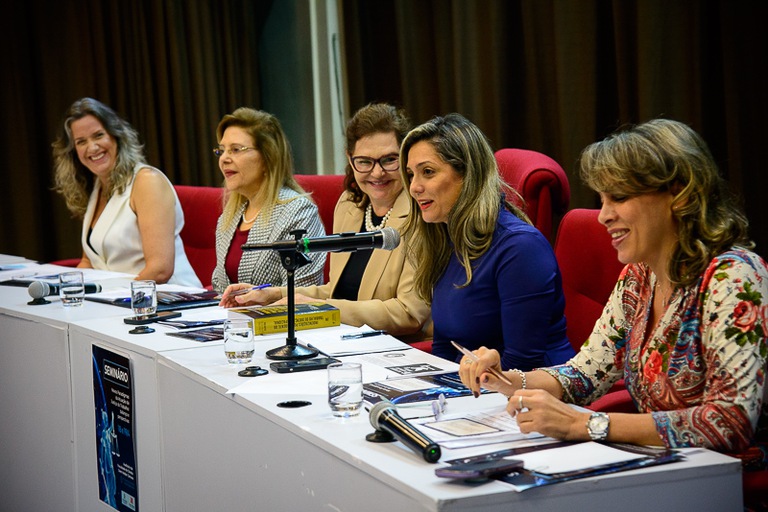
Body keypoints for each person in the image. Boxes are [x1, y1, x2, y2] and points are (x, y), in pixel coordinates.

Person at [459, 119, 768, 471]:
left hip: (730, 479)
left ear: (679, 195)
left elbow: (730, 421)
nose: (604, 216)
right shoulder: (639, 276)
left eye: (619, 197)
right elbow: (585, 375)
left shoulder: (733, 276)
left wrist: (585, 424)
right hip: (665, 467)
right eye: (602, 199)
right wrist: (505, 379)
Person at [220, 103, 431, 340]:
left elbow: (408, 314)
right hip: (342, 339)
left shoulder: (421, 214)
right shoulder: (350, 206)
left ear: (405, 158)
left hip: (394, 346)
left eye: (389, 160)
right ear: (350, 159)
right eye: (364, 162)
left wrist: (322, 307)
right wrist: (274, 295)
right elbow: (337, 291)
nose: (377, 172)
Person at [399, 113, 574, 369]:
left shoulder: (520, 248)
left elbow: (522, 362)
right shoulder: (445, 239)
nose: (414, 186)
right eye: (411, 174)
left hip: (529, 384)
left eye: (427, 172)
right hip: (471, 383)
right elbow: (445, 345)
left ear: (468, 175)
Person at [52, 97, 201, 286]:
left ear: (116, 135)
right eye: (81, 141)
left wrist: (114, 296)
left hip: (168, 296)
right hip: (121, 297)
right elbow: (89, 261)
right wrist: (67, 290)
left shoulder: (147, 181)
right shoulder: (97, 187)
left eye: (98, 135)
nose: (92, 147)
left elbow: (160, 270)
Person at [210, 108, 325, 294]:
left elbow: (302, 291)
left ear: (267, 157)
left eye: (236, 150)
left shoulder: (298, 211)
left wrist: (260, 297)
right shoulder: (228, 218)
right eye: (221, 151)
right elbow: (219, 287)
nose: (224, 159)